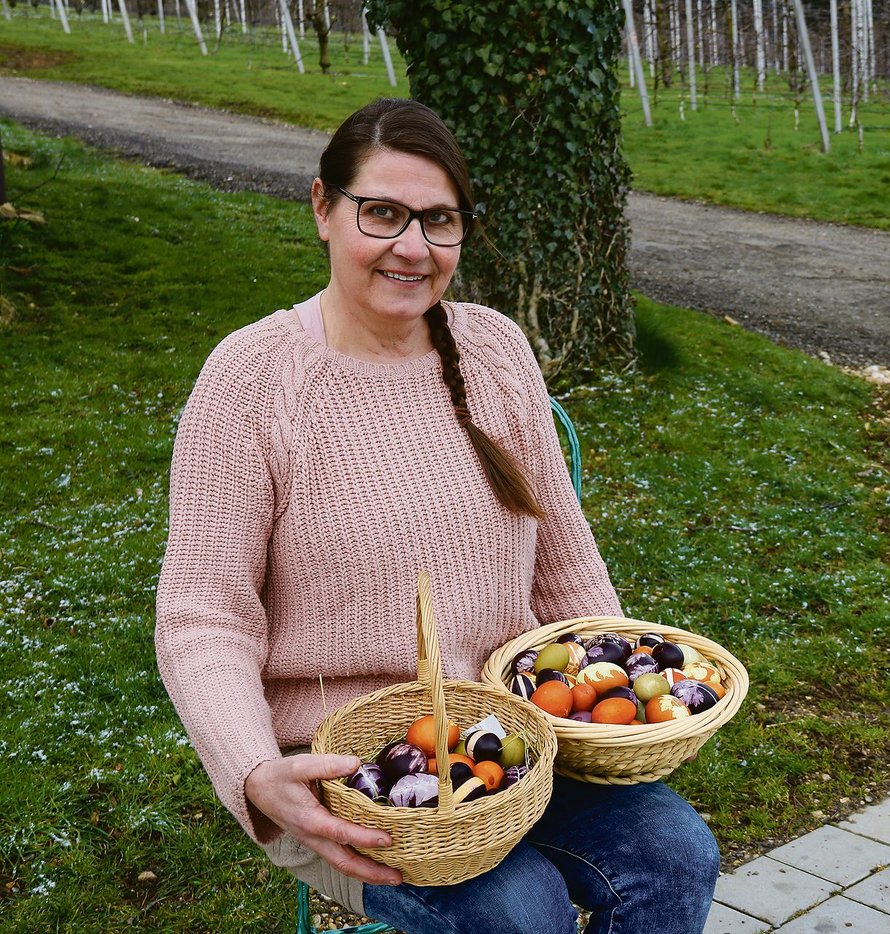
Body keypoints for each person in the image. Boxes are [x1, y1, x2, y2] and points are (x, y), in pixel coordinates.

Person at [154, 98, 719, 933]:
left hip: (512, 737)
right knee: (516, 910)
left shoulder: (492, 349)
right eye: (382, 212)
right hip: (346, 768)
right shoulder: (251, 380)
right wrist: (251, 771)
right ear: (322, 207)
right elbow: (203, 616)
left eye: (439, 220)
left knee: (675, 855)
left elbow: (564, 559)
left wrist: (624, 694)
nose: (412, 247)